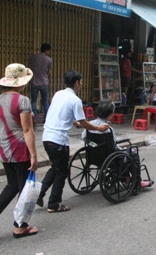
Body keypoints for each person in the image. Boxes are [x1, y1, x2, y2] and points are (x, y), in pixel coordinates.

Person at [0, 63, 39, 238]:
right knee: (24, 188)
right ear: (19, 82)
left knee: (12, 185)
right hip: (19, 148)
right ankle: (20, 226)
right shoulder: (22, 100)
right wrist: (34, 155)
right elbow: (27, 130)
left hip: (4, 147)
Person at [37, 70, 109, 213]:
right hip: (58, 140)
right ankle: (54, 204)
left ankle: (39, 194)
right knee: (61, 172)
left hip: (47, 137)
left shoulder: (58, 94)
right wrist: (98, 128)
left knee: (55, 167)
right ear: (77, 83)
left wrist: (74, 122)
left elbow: (60, 114)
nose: (81, 84)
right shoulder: (76, 100)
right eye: (80, 82)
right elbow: (85, 123)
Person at [29, 43, 53, 124]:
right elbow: (49, 73)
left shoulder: (33, 57)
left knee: (34, 101)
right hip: (44, 83)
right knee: (45, 101)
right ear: (47, 50)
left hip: (34, 83)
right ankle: (46, 118)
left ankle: (34, 118)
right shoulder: (49, 60)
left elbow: (30, 69)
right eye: (49, 51)